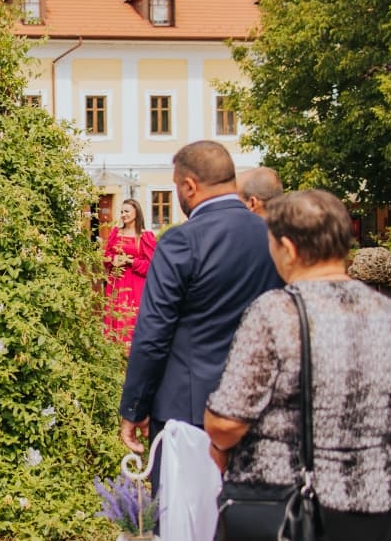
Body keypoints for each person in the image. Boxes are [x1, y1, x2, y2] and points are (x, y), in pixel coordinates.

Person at [205, 190, 391, 541]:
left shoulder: (277, 313)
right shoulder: (388, 313)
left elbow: (226, 422)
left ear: (287, 247)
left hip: (290, 514)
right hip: (376, 510)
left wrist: (218, 443)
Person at [119, 141, 282, 459]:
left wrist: (135, 406)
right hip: (260, 401)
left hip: (190, 408)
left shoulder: (182, 240)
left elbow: (154, 331)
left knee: (185, 508)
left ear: (189, 186)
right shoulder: (273, 236)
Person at [102, 198, 156, 352]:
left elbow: (152, 265)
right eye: (121, 211)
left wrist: (131, 261)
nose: (123, 214)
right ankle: (114, 358)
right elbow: (106, 258)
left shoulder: (145, 236)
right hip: (116, 283)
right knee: (115, 317)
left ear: (136, 213)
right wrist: (114, 260)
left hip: (135, 285)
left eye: (126, 211)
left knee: (132, 319)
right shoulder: (115, 233)